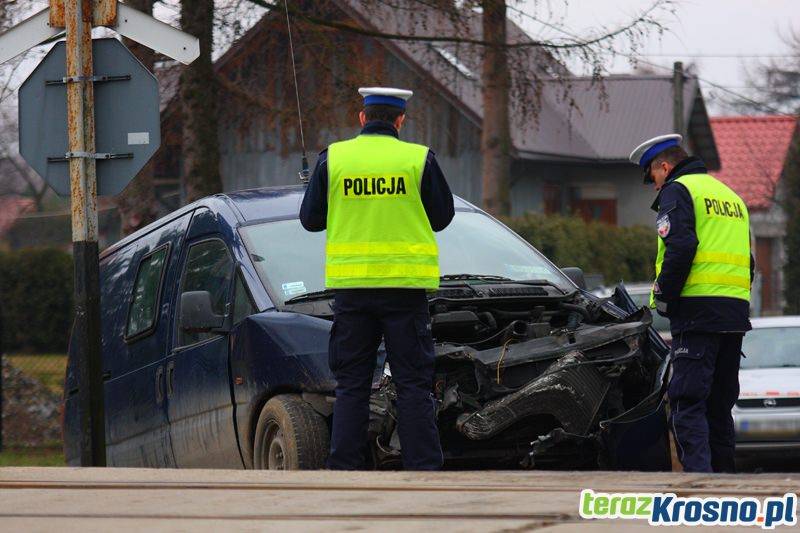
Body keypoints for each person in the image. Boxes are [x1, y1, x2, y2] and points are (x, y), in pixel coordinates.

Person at [299, 87, 455, 470]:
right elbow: (443, 217)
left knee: (352, 383)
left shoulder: (333, 159)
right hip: (405, 290)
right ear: (401, 120)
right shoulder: (418, 160)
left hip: (352, 293)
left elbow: (310, 221)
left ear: (362, 118)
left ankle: (345, 470)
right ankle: (423, 472)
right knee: (413, 384)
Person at [629, 134, 754, 473]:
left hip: (697, 314)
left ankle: (700, 491)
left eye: (653, 177)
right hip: (734, 314)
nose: (655, 187)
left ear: (665, 167)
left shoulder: (678, 190)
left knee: (687, 404)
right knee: (718, 407)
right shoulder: (731, 197)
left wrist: (666, 298)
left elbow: (680, 247)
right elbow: (749, 261)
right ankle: (725, 488)